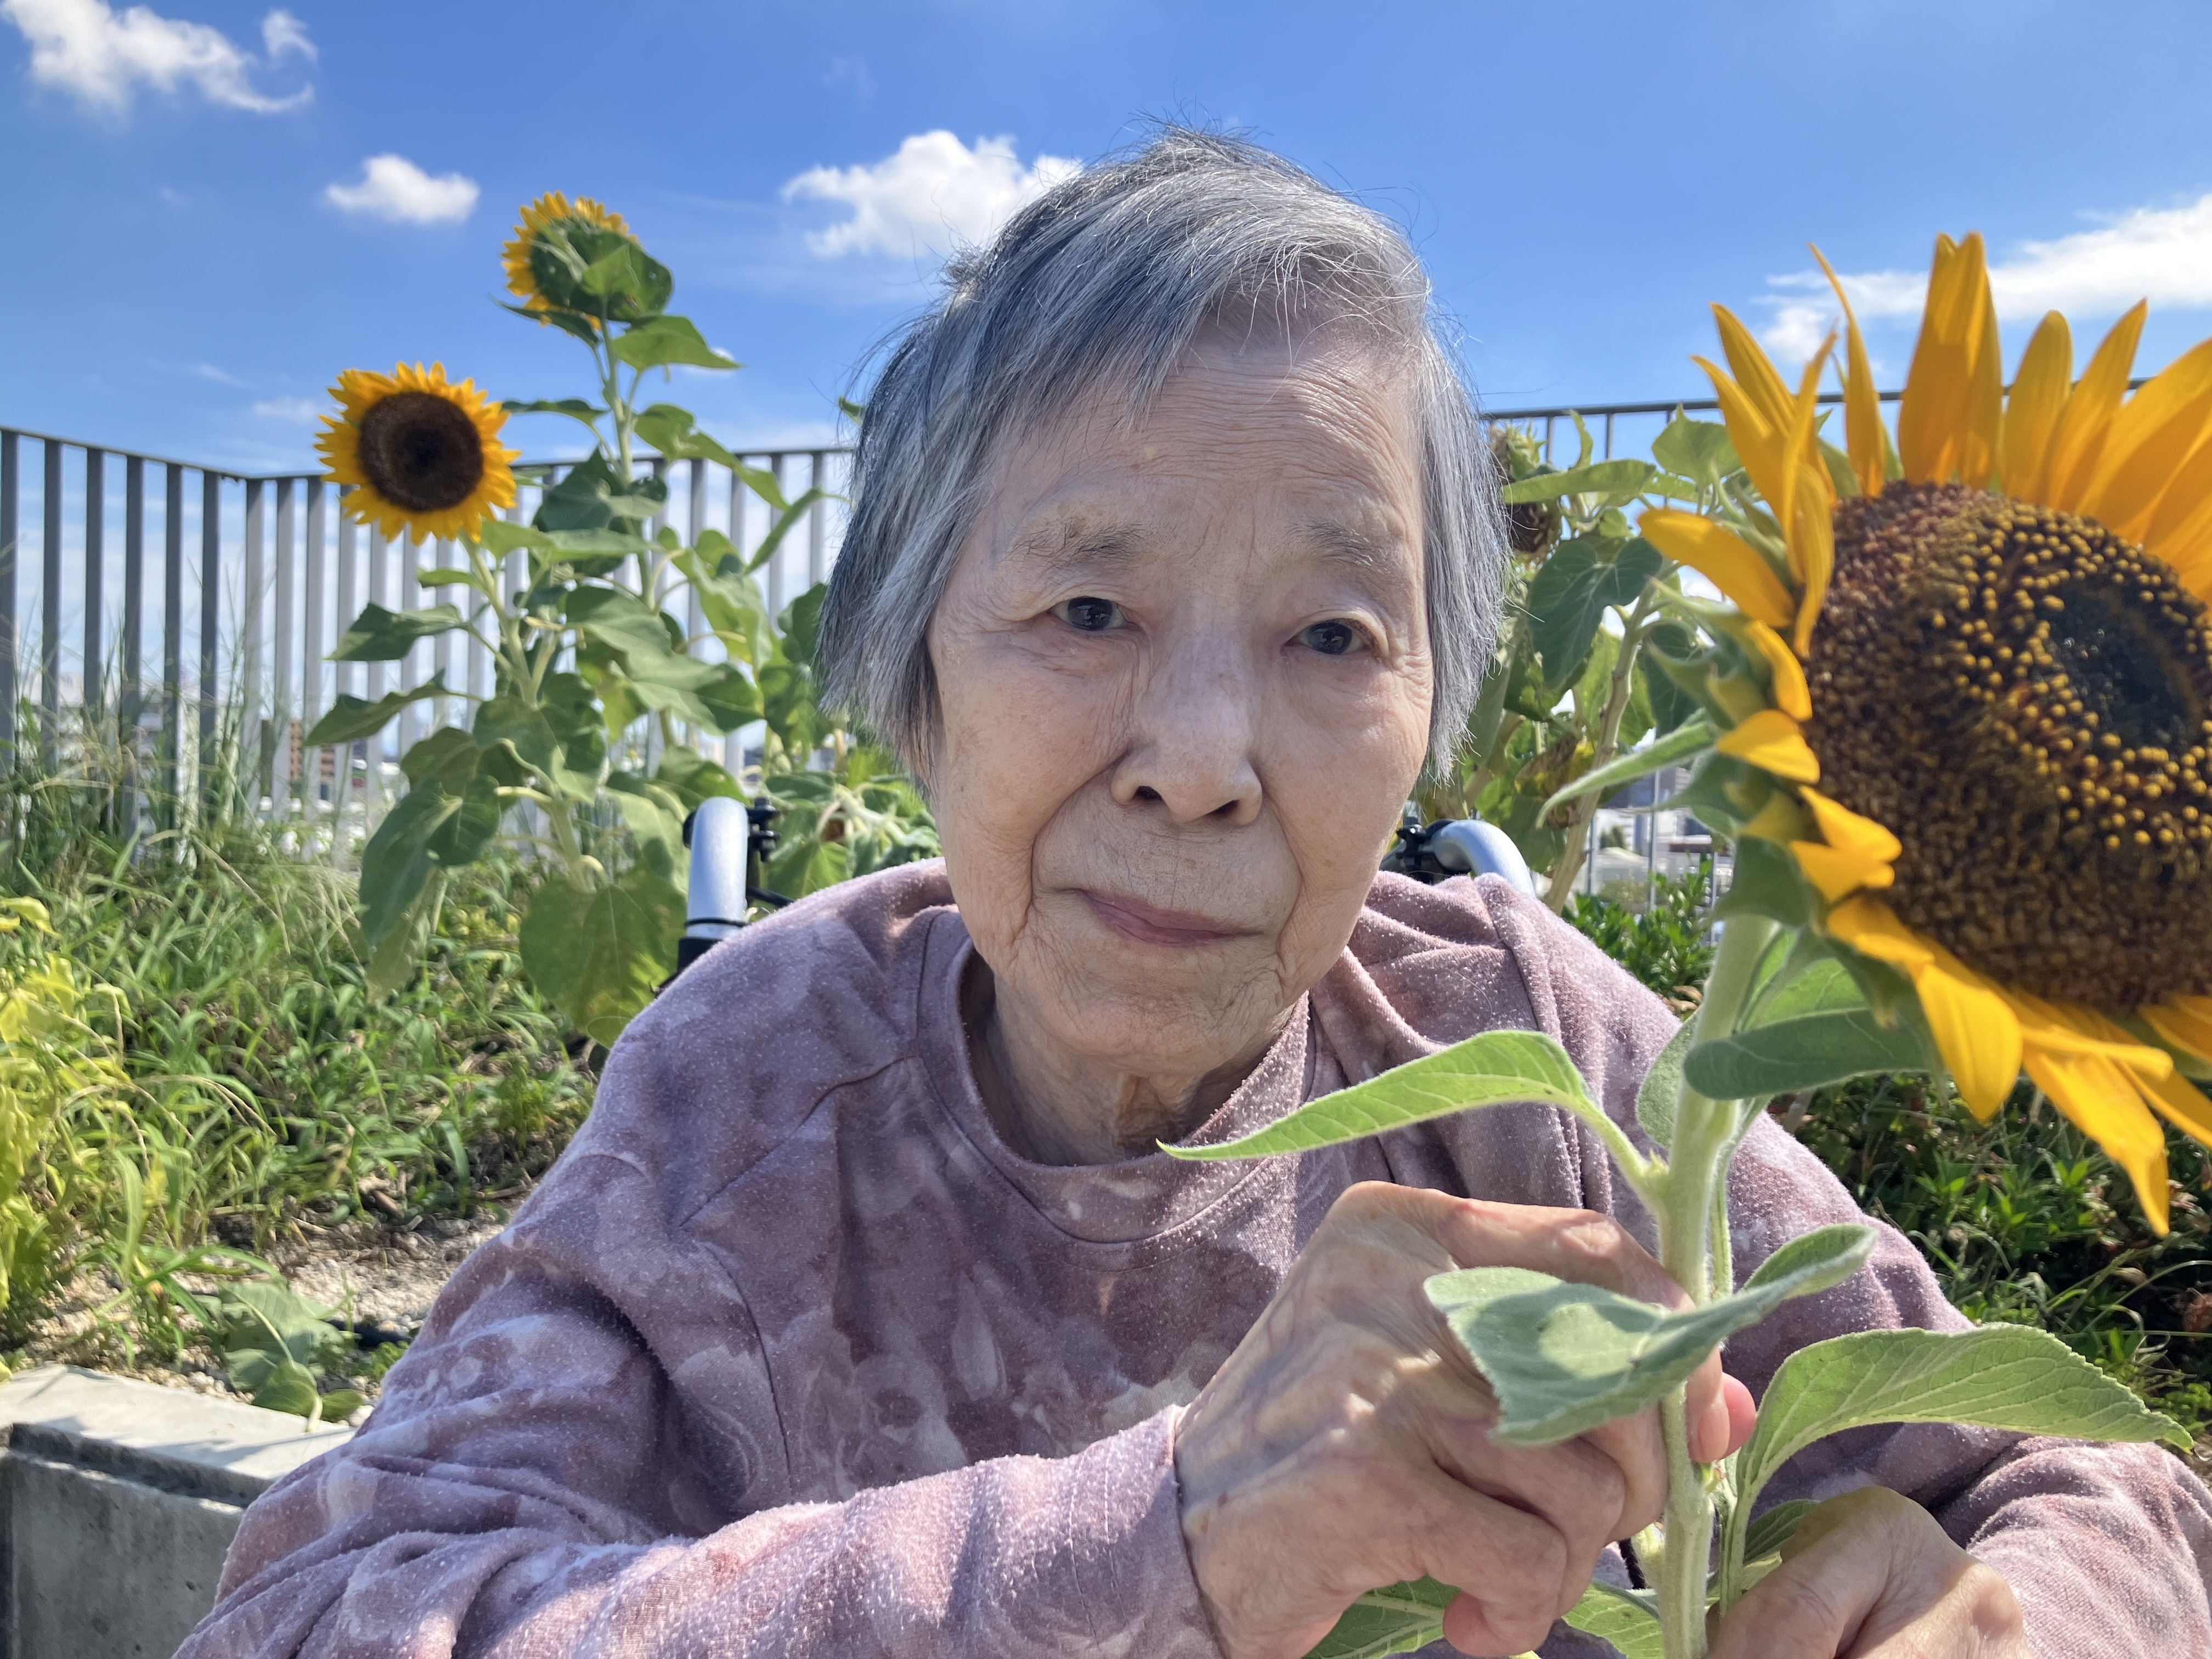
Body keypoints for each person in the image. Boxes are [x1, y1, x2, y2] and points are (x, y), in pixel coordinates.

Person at [181, 130, 2211, 1659]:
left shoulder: (1540, 1062)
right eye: (1086, 604)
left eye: (1337, 634)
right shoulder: (754, 1103)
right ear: (915, 672)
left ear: (1434, 714)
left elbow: (2104, 1492)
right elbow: (330, 1613)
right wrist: (1163, 1535)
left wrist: (2026, 1601)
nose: (1205, 754)